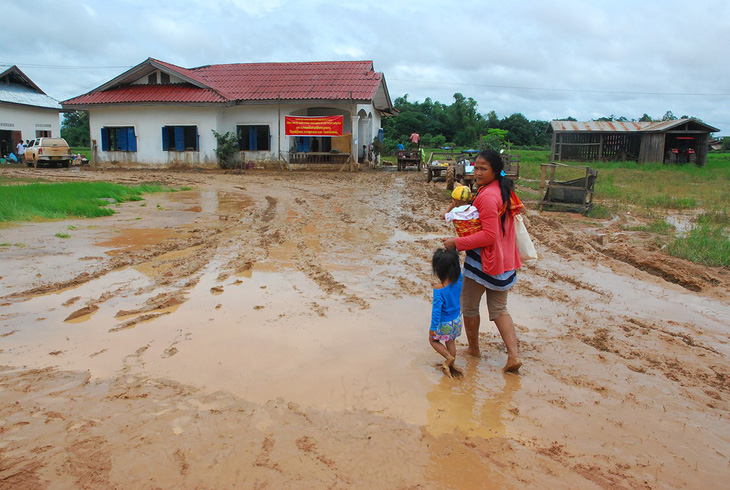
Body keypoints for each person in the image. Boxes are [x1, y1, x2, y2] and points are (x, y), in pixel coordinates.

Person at [442, 149, 523, 373]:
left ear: (495, 171)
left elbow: (489, 235)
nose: (477, 172)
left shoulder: (487, 196)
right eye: (475, 167)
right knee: (499, 309)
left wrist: (456, 243)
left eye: (483, 169)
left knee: (468, 306)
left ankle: (474, 349)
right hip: (504, 259)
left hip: (485, 260)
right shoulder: (500, 190)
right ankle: (513, 355)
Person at [429, 248, 464, 378]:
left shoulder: (439, 289)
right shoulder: (460, 279)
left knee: (432, 341)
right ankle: (450, 365)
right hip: (456, 320)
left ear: (438, 270)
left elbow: (436, 312)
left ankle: (449, 358)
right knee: (450, 342)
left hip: (444, 322)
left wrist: (433, 328)